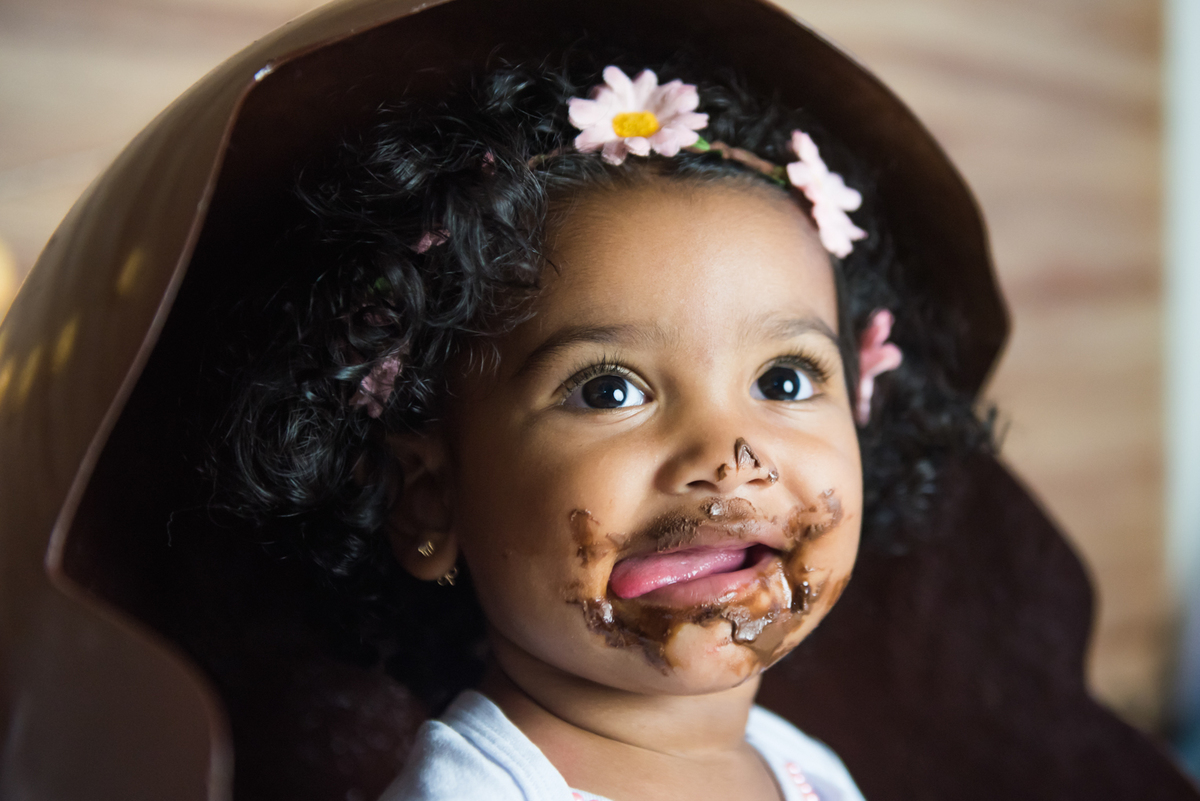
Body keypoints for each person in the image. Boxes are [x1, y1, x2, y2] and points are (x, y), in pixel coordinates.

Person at [207, 54, 992, 801]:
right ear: (430, 495)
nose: (727, 455)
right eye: (611, 390)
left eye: (784, 379)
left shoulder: (801, 768)